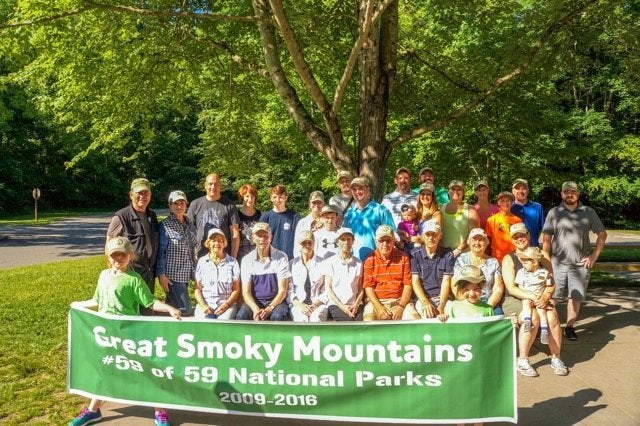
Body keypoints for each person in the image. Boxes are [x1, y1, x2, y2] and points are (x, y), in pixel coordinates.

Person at [69, 237, 181, 426]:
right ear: (108, 257)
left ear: (130, 256)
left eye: (123, 255)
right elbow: (97, 301)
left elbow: (149, 301)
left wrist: (170, 308)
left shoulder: (133, 279)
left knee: (145, 371)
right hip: (106, 336)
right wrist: (78, 305)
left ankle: (160, 411)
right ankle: (93, 411)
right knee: (105, 372)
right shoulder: (103, 275)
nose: (118, 258)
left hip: (128, 335)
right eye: (114, 255)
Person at [542, 181, 607, 341]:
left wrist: (594, 256)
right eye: (566, 192)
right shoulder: (554, 212)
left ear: (578, 194)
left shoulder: (588, 212)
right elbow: (546, 238)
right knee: (552, 296)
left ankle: (570, 327)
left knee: (575, 297)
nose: (569, 194)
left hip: (580, 264)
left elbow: (602, 234)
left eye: (573, 192)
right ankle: (549, 326)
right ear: (561, 194)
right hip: (557, 263)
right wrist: (546, 261)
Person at [502, 222, 567, 377]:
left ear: (529, 235)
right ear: (512, 239)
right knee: (531, 317)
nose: (520, 239)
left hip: (540, 295)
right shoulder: (509, 259)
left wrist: (545, 296)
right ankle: (523, 360)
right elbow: (511, 288)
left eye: (522, 235)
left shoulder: (542, 255)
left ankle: (556, 358)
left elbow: (550, 282)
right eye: (516, 237)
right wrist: (532, 297)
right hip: (516, 299)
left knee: (552, 316)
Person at [106, 178, 159, 297]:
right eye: (139, 193)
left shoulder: (152, 216)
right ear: (131, 195)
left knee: (147, 306)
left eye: (146, 193)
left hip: (149, 272)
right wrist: (113, 272)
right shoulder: (121, 217)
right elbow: (109, 246)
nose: (143, 196)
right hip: (130, 273)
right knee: (131, 308)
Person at [363, 225, 420, 321]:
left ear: (394, 241)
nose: (385, 244)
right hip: (377, 302)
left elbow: (408, 286)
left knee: (414, 320)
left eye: (388, 240)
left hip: (400, 301)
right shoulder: (370, 259)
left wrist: (401, 307)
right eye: (381, 240)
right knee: (369, 321)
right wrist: (379, 308)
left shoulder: (403, 258)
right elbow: (368, 287)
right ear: (377, 241)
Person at [236, 222, 291, 321]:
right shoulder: (246, 260)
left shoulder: (281, 256)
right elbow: (246, 292)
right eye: (259, 236)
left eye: (266, 236)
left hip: (276, 301)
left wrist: (270, 308)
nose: (262, 239)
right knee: (242, 315)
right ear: (253, 238)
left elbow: (282, 291)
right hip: (255, 301)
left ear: (271, 238)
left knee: (278, 316)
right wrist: (255, 309)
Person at [156, 190, 197, 316]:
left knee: (173, 307)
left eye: (182, 203)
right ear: (170, 205)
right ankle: (155, 312)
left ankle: (160, 323)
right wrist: (161, 275)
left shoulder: (190, 224)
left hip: (186, 274)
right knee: (185, 309)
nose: (179, 206)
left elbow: (191, 249)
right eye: (175, 203)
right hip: (172, 276)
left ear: (186, 205)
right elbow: (161, 252)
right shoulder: (165, 225)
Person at [188, 173, 240, 258]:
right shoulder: (195, 204)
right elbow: (188, 231)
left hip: (223, 256)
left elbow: (235, 233)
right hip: (201, 255)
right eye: (210, 184)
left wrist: (233, 257)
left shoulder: (229, 205)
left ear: (220, 186)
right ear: (205, 186)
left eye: (216, 184)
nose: (213, 187)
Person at [342, 176, 395, 260]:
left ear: (368, 189)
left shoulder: (381, 211)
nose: (357, 192)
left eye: (360, 188)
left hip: (377, 261)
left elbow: (392, 236)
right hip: (355, 263)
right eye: (354, 190)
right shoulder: (349, 215)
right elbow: (343, 238)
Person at [410, 220, 455, 318]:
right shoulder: (414, 254)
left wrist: (441, 306)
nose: (431, 238)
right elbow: (415, 281)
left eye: (434, 234)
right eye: (427, 234)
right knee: (426, 314)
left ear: (440, 236)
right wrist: (425, 302)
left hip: (444, 299)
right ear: (422, 236)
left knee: (452, 312)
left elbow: (446, 281)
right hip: (423, 298)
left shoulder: (448, 255)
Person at [193, 228, 241, 319]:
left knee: (224, 322)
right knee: (201, 323)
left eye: (220, 241)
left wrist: (226, 305)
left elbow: (236, 290)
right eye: (213, 241)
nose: (217, 244)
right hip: (206, 305)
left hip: (226, 306)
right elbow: (197, 289)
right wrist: (203, 305)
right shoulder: (202, 262)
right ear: (208, 243)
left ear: (224, 243)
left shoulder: (232, 262)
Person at [455, 228, 504, 314]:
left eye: (481, 240)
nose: (477, 243)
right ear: (468, 242)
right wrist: (467, 304)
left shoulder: (493, 262)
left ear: (487, 243)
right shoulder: (460, 259)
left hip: (488, 303)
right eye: (474, 240)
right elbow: (454, 285)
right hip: (466, 302)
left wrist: (487, 307)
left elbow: (498, 288)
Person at [324, 228, 365, 321]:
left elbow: (361, 287)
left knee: (361, 325)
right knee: (348, 323)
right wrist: (343, 308)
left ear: (352, 241)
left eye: (349, 239)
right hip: (336, 304)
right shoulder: (330, 262)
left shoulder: (358, 263)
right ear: (337, 242)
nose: (346, 242)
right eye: (342, 239)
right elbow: (328, 288)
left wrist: (356, 304)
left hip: (354, 304)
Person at [514, 246, 553, 345]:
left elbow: (548, 286)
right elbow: (519, 286)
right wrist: (528, 295)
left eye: (525, 263)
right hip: (527, 296)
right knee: (526, 304)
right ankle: (527, 320)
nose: (523, 265)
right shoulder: (521, 272)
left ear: (535, 262)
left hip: (539, 297)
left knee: (542, 311)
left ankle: (544, 330)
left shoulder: (544, 273)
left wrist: (544, 297)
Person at [288, 231, 328, 322]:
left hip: (318, 304)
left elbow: (327, 290)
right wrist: (299, 305)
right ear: (299, 245)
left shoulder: (323, 263)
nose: (307, 245)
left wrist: (315, 305)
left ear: (314, 244)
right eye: (303, 243)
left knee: (316, 320)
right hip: (298, 304)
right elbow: (289, 290)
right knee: (300, 320)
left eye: (309, 242)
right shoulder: (292, 264)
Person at [259, 184, 300, 260]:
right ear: (271, 198)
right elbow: (259, 239)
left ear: (286, 198)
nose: (277, 200)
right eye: (275, 197)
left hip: (290, 259)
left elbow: (300, 238)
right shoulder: (265, 217)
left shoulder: (294, 216)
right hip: (271, 259)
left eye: (281, 197)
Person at [440, 180, 479, 257]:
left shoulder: (470, 210)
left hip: (464, 255)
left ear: (463, 192)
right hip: (443, 254)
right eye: (453, 189)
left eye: (459, 189)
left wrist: (458, 250)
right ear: (448, 192)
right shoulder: (441, 208)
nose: (456, 192)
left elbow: (473, 234)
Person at [485, 191, 522, 264]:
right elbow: (487, 240)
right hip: (497, 258)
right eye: (503, 201)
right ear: (498, 203)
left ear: (512, 203)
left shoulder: (517, 220)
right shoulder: (491, 220)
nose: (506, 203)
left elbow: (520, 239)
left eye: (508, 201)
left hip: (514, 256)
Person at [510, 179, 544, 247]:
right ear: (513, 191)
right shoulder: (509, 208)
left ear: (528, 191)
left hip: (532, 248)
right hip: (513, 250)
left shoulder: (537, 207)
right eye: (517, 189)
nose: (520, 191)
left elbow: (542, 229)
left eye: (523, 188)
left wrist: (540, 244)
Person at [293, 190, 325, 257]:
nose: (316, 205)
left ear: (323, 204)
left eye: (319, 202)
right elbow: (297, 245)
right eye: (314, 202)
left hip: (324, 260)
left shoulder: (328, 222)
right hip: (306, 260)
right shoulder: (302, 223)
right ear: (310, 204)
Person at [236, 183, 262, 262]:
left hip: (257, 256)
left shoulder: (261, 215)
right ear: (242, 198)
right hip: (241, 257)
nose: (250, 199)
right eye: (247, 196)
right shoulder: (236, 215)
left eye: (252, 196)